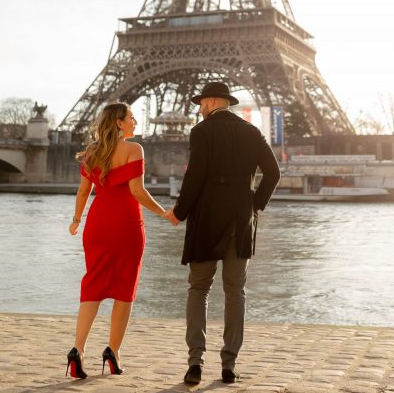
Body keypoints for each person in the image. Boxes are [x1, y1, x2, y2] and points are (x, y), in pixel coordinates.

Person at [168, 81, 280, 385]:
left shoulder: (202, 132)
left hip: (207, 218)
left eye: (201, 103)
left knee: (199, 289)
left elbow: (195, 176)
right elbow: (274, 172)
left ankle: (195, 363)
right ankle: (229, 365)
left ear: (211, 101)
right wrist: (254, 205)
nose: (199, 108)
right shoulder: (251, 131)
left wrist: (179, 212)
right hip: (240, 220)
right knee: (235, 291)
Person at [66, 102, 171, 378]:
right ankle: (113, 352)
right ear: (118, 123)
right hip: (126, 224)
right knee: (125, 287)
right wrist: (163, 212)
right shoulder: (134, 150)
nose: (135, 122)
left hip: (97, 225)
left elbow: (82, 192)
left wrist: (76, 220)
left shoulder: (92, 152)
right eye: (132, 118)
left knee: (94, 283)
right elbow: (137, 190)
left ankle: (77, 350)